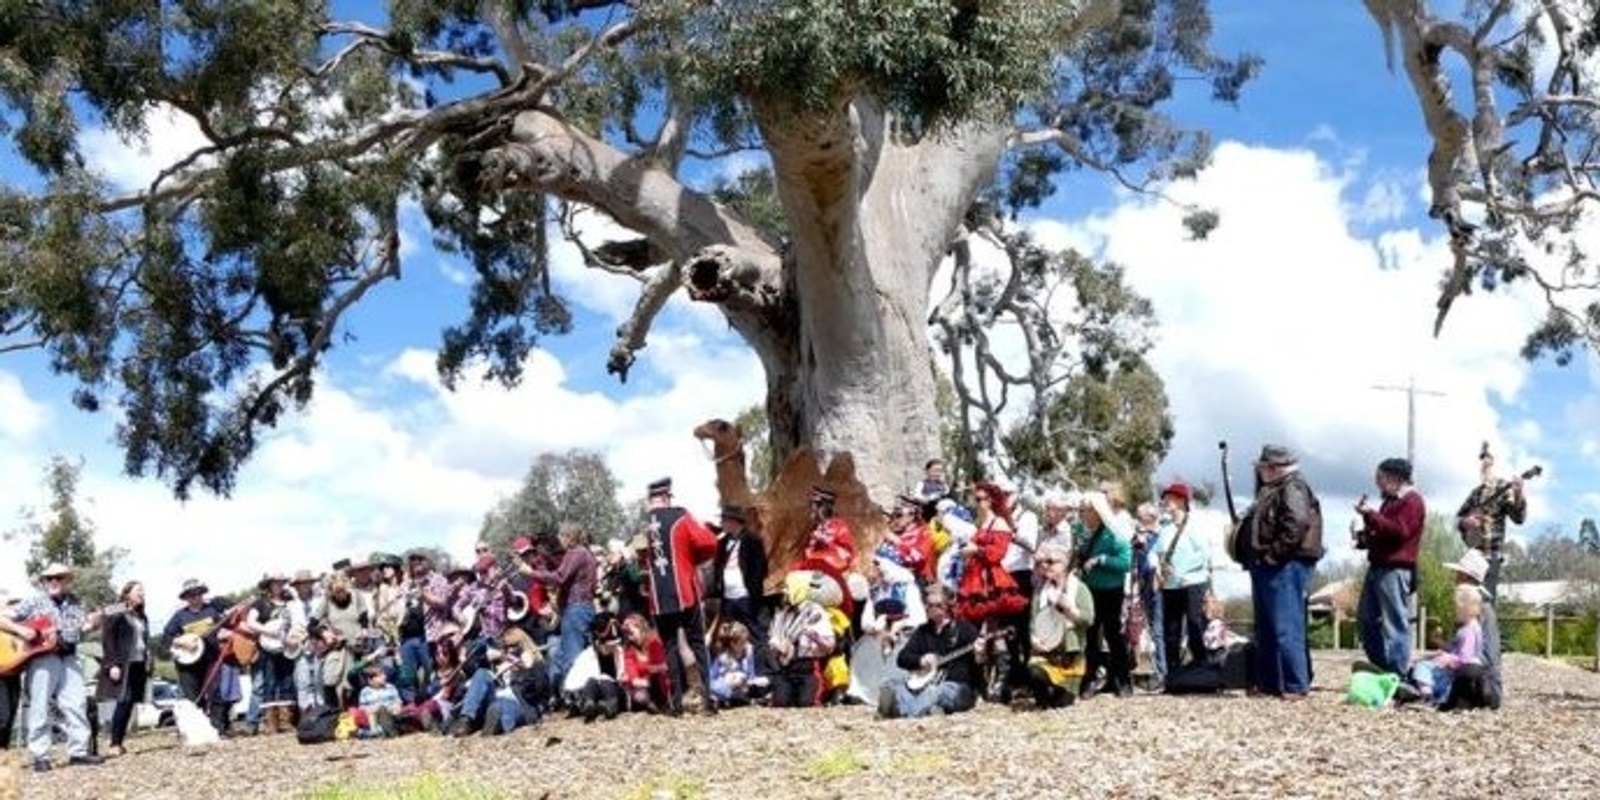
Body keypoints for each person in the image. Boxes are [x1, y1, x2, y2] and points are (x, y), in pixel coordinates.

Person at [5, 562, 106, 771]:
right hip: (42, 658)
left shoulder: (76, 602)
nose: (53, 582)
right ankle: (39, 755)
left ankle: (79, 751)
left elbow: (82, 627)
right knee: (40, 706)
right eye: (49, 578)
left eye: (59, 578)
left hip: (69, 655)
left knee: (76, 703)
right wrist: (21, 631)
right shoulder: (33, 601)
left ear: (68, 581)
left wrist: (95, 622)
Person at [1244, 444, 1324, 700]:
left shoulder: (1293, 487)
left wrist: (1272, 555)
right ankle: (1270, 682)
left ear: (1274, 468)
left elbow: (1295, 525)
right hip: (1272, 564)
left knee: (1286, 627)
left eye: (1263, 467)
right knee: (1267, 627)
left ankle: (1295, 684)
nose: (1260, 472)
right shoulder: (1277, 488)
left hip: (1286, 565)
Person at [639, 477, 719, 715]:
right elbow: (708, 542)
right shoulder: (680, 516)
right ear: (666, 497)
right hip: (685, 591)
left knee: (671, 647)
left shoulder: (643, 526)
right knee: (697, 643)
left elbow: (641, 563)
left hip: (658, 598)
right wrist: (693, 559)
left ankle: (675, 703)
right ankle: (706, 698)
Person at [1355, 457, 1425, 677]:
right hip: (1378, 566)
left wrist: (1370, 514)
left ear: (1396, 478)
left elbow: (1399, 532)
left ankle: (1398, 672)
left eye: (1381, 478)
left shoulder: (1412, 501)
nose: (1378, 483)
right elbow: (1384, 532)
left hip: (1395, 569)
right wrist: (1364, 534)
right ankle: (1382, 664)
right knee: (1366, 619)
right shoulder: (1390, 502)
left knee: (1394, 622)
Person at [877, 585, 980, 719]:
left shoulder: (965, 629)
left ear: (947, 606)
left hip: (957, 687)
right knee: (893, 685)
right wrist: (921, 660)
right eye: (928, 605)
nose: (930, 609)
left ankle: (902, 710)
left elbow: (979, 663)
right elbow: (902, 658)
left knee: (935, 692)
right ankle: (927, 710)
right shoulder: (923, 631)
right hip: (926, 684)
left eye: (936, 605)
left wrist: (980, 653)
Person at [525, 522, 598, 690]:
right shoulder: (586, 553)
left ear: (569, 537)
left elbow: (559, 577)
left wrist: (531, 572)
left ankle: (578, 694)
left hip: (576, 608)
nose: (559, 539)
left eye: (561, 535)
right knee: (583, 653)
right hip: (583, 607)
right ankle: (587, 693)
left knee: (573, 654)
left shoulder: (576, 552)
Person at [1075, 490, 1133, 699]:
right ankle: (1089, 680)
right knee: (1091, 637)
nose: (1082, 515)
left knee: (1113, 634)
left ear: (1097, 511)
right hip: (1090, 590)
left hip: (1111, 591)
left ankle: (1122, 680)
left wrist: (1101, 560)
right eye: (1081, 511)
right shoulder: (1085, 533)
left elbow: (1126, 563)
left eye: (1086, 511)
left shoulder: (1114, 533)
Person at [1022, 542, 1093, 709]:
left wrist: (1070, 610)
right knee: (1034, 670)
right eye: (1044, 562)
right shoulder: (1041, 593)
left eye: (1052, 562)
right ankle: (1044, 695)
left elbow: (1089, 619)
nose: (1046, 566)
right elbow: (1033, 623)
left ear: (1065, 565)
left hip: (1070, 655)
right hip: (1047, 652)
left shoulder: (1080, 589)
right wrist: (1034, 638)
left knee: (1061, 704)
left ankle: (1064, 691)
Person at [1453, 443, 1527, 601]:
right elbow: (1457, 520)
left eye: (1488, 460)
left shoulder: (1503, 488)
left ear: (1494, 463)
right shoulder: (1475, 493)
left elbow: (1518, 518)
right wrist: (1466, 522)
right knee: (1467, 600)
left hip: (1491, 555)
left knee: (1485, 601)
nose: (1485, 464)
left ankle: (1487, 625)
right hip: (1473, 556)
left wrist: (1519, 494)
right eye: (1482, 461)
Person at [1156, 482, 1212, 671]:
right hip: (1170, 585)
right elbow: (1156, 553)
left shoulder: (1195, 526)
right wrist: (1157, 567)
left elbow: (1204, 554)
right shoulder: (1164, 528)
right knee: (1171, 627)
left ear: (1181, 501)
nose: (1165, 501)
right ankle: (1172, 669)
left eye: (1170, 498)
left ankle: (1201, 662)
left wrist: (1181, 570)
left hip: (1192, 582)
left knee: (1194, 623)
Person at [1439, 549, 1503, 710]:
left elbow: (1486, 658)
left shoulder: (1482, 611)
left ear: (1467, 578)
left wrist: (1452, 660)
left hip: (1483, 686)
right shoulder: (1470, 609)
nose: (1454, 578)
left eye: (1458, 574)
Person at [710, 505, 769, 667]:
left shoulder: (753, 540)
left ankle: (763, 671)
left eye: (724, 520)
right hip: (728, 597)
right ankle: (733, 670)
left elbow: (761, 568)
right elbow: (718, 568)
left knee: (756, 634)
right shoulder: (722, 543)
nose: (722, 523)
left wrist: (752, 589)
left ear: (734, 522)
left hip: (746, 596)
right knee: (727, 634)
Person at [97, 581, 150, 758]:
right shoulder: (116, 609)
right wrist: (112, 664)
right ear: (127, 593)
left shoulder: (141, 615)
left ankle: (119, 741)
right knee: (123, 700)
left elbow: (144, 641)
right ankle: (114, 743)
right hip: (123, 662)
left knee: (130, 702)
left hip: (138, 663)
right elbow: (108, 637)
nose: (142, 593)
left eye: (143, 590)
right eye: (138, 590)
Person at [1407, 584, 1483, 708]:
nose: (1454, 611)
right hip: (1460, 672)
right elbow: (1460, 651)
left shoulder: (1468, 631)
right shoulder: (1474, 627)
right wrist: (1443, 646)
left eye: (1456, 608)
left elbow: (1464, 659)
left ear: (1465, 608)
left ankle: (1427, 695)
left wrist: (1447, 659)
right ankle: (1432, 694)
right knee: (1429, 665)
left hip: (1456, 672)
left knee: (1422, 666)